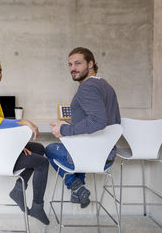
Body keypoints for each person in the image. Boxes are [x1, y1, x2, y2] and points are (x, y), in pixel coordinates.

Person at [0, 56, 50, 225]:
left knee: (38, 148)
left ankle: (19, 190)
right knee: (42, 163)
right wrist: (23, 122)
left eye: (0, 71)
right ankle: (37, 206)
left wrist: (17, 146)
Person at [45, 47, 121, 208]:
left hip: (88, 156)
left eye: (78, 63)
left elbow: (97, 121)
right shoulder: (106, 86)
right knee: (77, 147)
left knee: (50, 149)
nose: (73, 68)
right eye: (70, 64)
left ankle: (76, 186)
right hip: (105, 157)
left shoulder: (87, 87)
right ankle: (78, 191)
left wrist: (63, 130)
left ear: (91, 64)